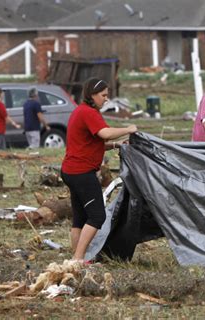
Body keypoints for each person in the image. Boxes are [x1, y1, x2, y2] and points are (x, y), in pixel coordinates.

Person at [61, 78, 138, 262]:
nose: (106, 99)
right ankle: (79, 259)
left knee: (80, 218)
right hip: (81, 172)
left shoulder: (81, 111)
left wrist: (116, 145)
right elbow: (104, 133)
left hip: (70, 171)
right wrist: (128, 128)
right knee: (97, 216)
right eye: (103, 95)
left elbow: (92, 143)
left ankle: (77, 257)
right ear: (92, 95)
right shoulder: (89, 112)